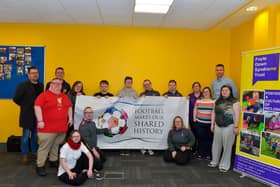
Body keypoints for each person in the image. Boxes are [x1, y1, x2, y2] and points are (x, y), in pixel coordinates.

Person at [34, 78, 73, 176]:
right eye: (55, 83)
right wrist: (40, 120)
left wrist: (71, 118)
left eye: (60, 84)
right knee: (44, 147)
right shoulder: (44, 95)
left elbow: (69, 107)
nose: (57, 85)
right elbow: (37, 106)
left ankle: (53, 160)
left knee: (56, 145)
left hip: (61, 127)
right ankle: (40, 165)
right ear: (51, 84)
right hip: (47, 128)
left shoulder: (64, 96)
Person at [13, 66, 44, 164]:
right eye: (33, 73)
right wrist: (25, 106)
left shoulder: (41, 85)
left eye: (36, 73)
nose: (35, 75)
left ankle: (34, 152)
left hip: (37, 116)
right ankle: (24, 155)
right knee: (25, 137)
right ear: (28, 75)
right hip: (27, 115)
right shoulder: (23, 85)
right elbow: (16, 98)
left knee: (35, 136)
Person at [208, 85, 240, 172]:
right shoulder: (217, 101)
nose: (224, 92)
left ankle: (224, 165)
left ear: (230, 91)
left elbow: (237, 115)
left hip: (229, 127)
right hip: (218, 126)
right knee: (216, 145)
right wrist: (212, 124)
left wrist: (236, 126)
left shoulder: (235, 102)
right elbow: (213, 113)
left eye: (226, 90)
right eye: (223, 90)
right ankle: (214, 161)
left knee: (227, 147)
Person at [79, 107, 111, 175]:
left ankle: (92, 162)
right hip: (88, 149)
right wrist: (94, 151)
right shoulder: (83, 126)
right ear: (84, 114)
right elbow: (87, 141)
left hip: (93, 147)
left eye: (90, 112)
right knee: (100, 167)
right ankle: (87, 167)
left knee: (103, 159)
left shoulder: (92, 123)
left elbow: (96, 131)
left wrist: (106, 129)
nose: (89, 114)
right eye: (87, 112)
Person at [193, 87, 215, 160]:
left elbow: (213, 112)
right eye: (204, 92)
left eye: (207, 91)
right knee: (201, 139)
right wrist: (194, 118)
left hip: (209, 124)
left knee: (209, 140)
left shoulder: (213, 101)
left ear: (210, 93)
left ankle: (208, 154)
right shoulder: (198, 101)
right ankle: (200, 154)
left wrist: (212, 124)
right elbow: (195, 109)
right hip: (200, 123)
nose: (205, 93)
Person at [139, 79, 160, 155]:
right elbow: (138, 105)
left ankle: (150, 147)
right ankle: (143, 147)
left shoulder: (157, 93)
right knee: (144, 131)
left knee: (151, 132)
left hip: (153, 115)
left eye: (148, 84)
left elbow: (161, 102)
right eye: (145, 85)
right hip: (144, 116)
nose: (146, 86)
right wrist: (141, 98)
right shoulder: (141, 94)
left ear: (151, 84)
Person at [187, 81, 202, 154]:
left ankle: (199, 150)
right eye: (194, 86)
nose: (196, 87)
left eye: (197, 86)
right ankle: (193, 149)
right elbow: (186, 107)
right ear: (192, 88)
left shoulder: (203, 96)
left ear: (200, 87)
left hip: (201, 120)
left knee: (200, 136)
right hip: (191, 119)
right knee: (192, 136)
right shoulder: (189, 96)